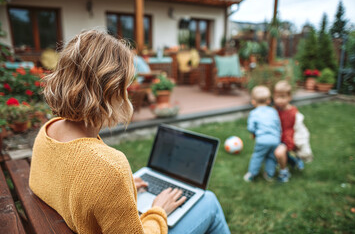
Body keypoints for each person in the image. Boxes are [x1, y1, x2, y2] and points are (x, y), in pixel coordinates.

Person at [29, 30, 230, 234]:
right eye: (126, 85)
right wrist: (159, 210)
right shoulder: (109, 167)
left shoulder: (48, 130)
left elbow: (67, 183)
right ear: (111, 91)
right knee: (209, 202)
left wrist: (119, 190)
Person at [273, 80, 313, 183]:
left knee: (279, 152)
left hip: (288, 138)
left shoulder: (293, 112)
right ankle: (293, 161)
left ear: (289, 97)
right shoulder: (274, 110)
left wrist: (300, 143)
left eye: (282, 97)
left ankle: (284, 172)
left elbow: (300, 128)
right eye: (276, 97)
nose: (279, 100)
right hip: (277, 136)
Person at [244, 85, 281, 182]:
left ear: (253, 101)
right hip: (275, 139)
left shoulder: (254, 113)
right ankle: (269, 174)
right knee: (271, 157)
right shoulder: (273, 111)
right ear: (268, 101)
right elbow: (278, 125)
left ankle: (252, 174)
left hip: (262, 140)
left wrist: (254, 133)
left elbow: (250, 127)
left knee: (257, 156)